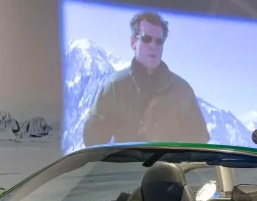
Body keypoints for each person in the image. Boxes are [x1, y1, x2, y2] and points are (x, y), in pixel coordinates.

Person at [83, 11, 210, 147]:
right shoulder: (114, 87)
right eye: (146, 39)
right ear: (133, 42)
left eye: (159, 41)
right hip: (128, 167)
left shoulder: (182, 91)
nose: (153, 46)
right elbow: (92, 140)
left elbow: (198, 139)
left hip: (170, 167)